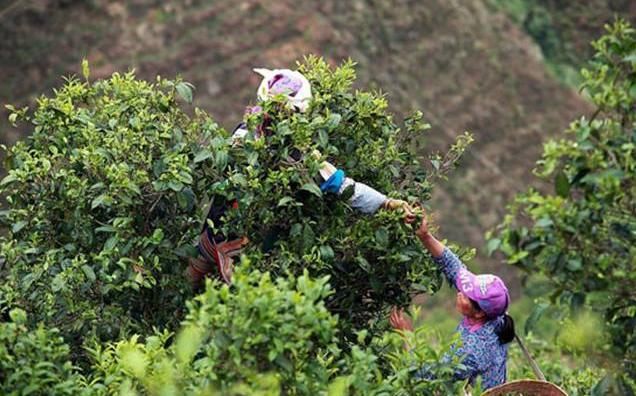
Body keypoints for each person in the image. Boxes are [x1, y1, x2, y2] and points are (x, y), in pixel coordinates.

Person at [186, 68, 414, 287]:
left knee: (203, 283)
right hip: (234, 242)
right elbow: (344, 187)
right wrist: (387, 202)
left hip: (237, 243)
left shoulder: (266, 143)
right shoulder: (257, 141)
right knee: (210, 286)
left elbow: (344, 187)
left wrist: (387, 203)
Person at [390, 213, 515, 390]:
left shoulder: (473, 350)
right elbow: (453, 266)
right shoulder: (494, 314)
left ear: (480, 313)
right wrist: (425, 236)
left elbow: (423, 373)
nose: (460, 292)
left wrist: (407, 335)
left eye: (467, 294)